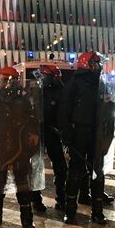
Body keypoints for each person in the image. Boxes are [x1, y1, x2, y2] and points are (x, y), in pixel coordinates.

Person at [59, 51, 110, 225]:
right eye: (96, 63)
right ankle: (70, 211)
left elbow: (109, 108)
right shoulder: (74, 83)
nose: (99, 66)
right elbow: (64, 110)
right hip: (79, 132)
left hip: (97, 133)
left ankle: (98, 211)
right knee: (75, 172)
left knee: (97, 172)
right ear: (88, 64)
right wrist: (66, 133)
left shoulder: (102, 84)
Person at [0, 67, 40, 228]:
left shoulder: (23, 101)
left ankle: (27, 218)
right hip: (0, 145)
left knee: (23, 184)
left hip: (19, 148)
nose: (7, 84)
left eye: (10, 80)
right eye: (4, 80)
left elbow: (32, 125)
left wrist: (31, 147)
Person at [31, 65, 68, 212]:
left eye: (44, 75)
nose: (40, 78)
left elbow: (64, 114)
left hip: (52, 132)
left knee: (60, 166)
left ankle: (62, 198)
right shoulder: (34, 90)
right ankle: (36, 199)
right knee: (35, 166)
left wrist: (64, 131)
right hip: (36, 132)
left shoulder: (60, 92)